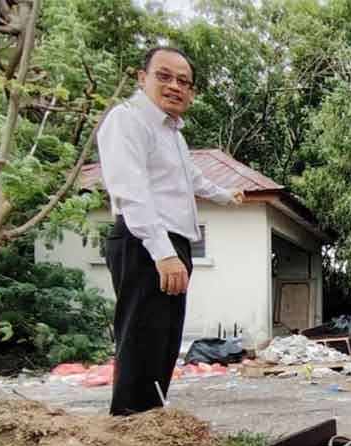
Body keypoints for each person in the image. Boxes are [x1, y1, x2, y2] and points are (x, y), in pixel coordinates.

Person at [97, 47, 244, 416]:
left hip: (171, 243)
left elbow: (192, 180)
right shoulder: (128, 121)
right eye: (164, 76)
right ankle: (131, 422)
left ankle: (152, 419)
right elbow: (132, 191)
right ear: (141, 77)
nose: (175, 86)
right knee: (142, 338)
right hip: (146, 241)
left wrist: (227, 196)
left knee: (163, 342)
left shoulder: (172, 135)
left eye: (184, 81)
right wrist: (162, 252)